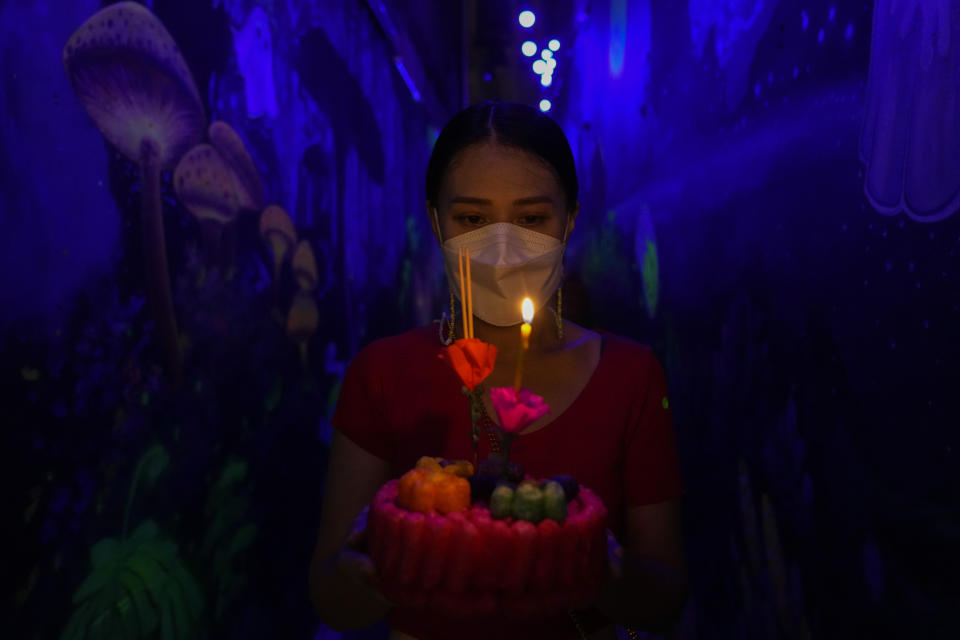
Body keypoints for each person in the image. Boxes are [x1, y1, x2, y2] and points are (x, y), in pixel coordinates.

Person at [309, 101, 686, 639]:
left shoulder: (632, 376)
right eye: (472, 219)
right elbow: (331, 594)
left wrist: (588, 567)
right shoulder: (381, 374)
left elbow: (665, 595)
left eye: (532, 219)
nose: (504, 251)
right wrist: (369, 572)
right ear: (437, 222)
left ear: (570, 220)